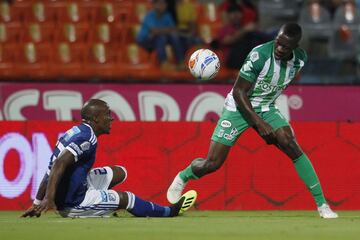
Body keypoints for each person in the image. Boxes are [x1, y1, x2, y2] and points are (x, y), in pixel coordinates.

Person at [167, 23, 338, 219]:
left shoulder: (300, 59)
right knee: (212, 163)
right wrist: (259, 123)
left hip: (266, 107)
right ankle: (183, 176)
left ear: (295, 47)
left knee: (290, 144)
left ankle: (322, 205)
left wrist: (269, 117)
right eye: (278, 43)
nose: (279, 49)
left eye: (285, 46)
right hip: (238, 107)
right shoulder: (259, 55)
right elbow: (239, 92)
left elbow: (277, 83)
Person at [21, 99, 196, 218]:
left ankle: (103, 204)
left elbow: (50, 169)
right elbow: (58, 164)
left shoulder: (75, 132)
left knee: (120, 172)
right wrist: (48, 199)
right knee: (126, 198)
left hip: (75, 187)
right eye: (107, 114)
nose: (111, 118)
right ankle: (169, 211)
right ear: (96, 119)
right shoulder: (86, 138)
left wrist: (36, 202)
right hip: (73, 203)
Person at [136, 0, 186, 70]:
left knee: (174, 36)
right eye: (160, 3)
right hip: (145, 40)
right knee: (161, 37)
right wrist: (168, 30)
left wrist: (164, 31)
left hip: (160, 38)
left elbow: (173, 30)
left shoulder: (167, 15)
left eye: (164, 4)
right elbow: (154, 31)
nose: (163, 6)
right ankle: (164, 63)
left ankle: (181, 62)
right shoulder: (150, 15)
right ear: (154, 5)